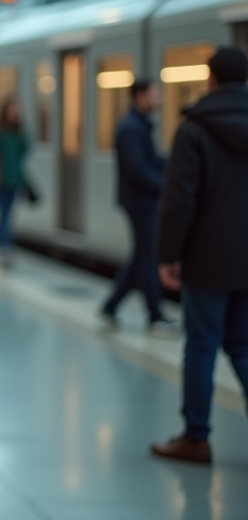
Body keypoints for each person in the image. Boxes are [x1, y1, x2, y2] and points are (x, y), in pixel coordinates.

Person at [151, 46, 248, 465]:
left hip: (207, 257)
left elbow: (179, 200)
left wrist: (169, 254)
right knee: (243, 347)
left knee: (202, 347)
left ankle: (195, 437)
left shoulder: (194, 129)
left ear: (209, 79)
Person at [100, 78, 173, 331]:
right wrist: (167, 185)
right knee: (148, 258)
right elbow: (138, 169)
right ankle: (154, 316)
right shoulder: (132, 128)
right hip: (140, 203)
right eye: (154, 95)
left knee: (142, 256)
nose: (158, 100)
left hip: (141, 201)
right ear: (139, 96)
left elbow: (148, 162)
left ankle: (111, 306)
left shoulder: (137, 125)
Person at [0, 97, 29, 268]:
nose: (15, 112)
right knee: (4, 215)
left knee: (7, 215)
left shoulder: (20, 130)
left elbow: (26, 148)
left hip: (14, 180)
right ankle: (5, 248)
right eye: (12, 109)